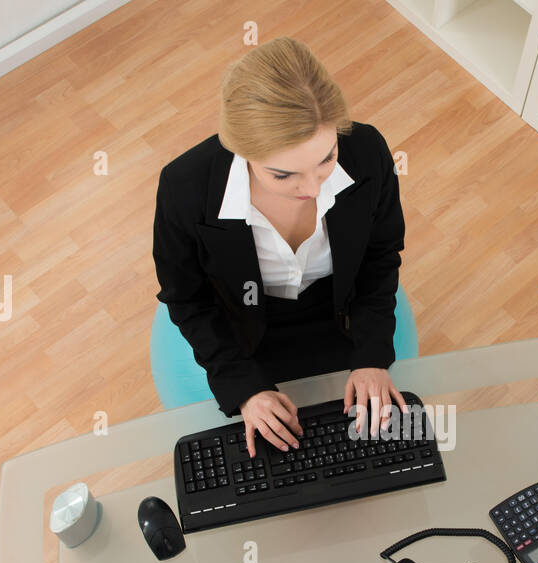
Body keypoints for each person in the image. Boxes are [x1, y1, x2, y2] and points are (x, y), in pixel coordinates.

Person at [153, 36, 408, 457]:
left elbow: (380, 257)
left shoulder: (368, 151)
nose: (312, 188)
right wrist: (245, 389)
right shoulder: (184, 188)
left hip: (339, 311)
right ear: (242, 152)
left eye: (326, 158)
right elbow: (188, 300)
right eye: (283, 175)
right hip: (244, 323)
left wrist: (372, 355)